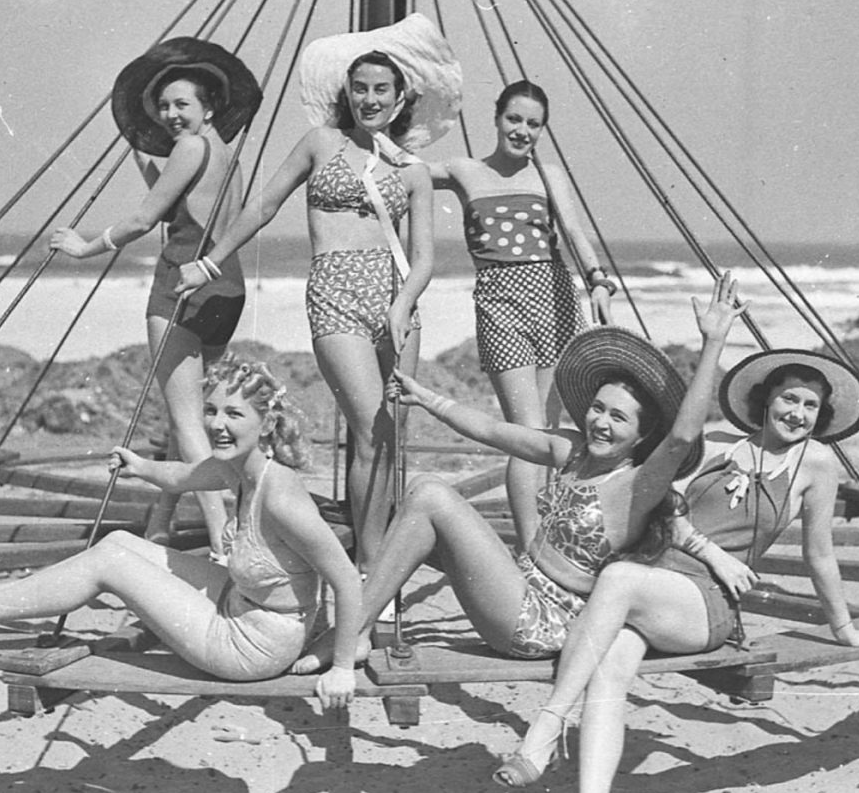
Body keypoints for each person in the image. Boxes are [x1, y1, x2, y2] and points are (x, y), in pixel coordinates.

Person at [498, 348, 859, 793]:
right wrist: (709, 549)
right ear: (764, 399)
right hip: (654, 585)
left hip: (706, 603)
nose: (797, 413)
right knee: (610, 670)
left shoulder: (815, 465)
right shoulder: (718, 443)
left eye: (810, 406)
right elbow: (665, 506)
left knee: (616, 577)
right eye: (789, 398)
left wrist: (844, 629)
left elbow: (820, 556)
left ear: (822, 415)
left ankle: (547, 726)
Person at [290, 273, 748, 674]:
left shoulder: (636, 484)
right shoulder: (573, 449)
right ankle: (362, 627)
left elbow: (683, 438)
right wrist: (428, 399)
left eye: (618, 419)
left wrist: (713, 343)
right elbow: (494, 430)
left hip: (543, 621)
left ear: (641, 436)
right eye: (598, 408)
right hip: (519, 584)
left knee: (429, 493)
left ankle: (351, 631)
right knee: (423, 500)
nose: (601, 423)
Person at [0, 354, 363, 708]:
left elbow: (347, 580)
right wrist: (139, 466)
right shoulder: (236, 468)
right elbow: (182, 477)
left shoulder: (280, 495)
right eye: (211, 410)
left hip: (251, 646)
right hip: (241, 604)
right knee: (120, 543)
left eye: (234, 415)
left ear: (266, 424)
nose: (217, 425)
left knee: (111, 564)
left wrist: (342, 667)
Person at [198, 15, 459, 578]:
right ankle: (367, 564)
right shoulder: (320, 143)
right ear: (347, 93)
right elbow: (262, 207)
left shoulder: (412, 171)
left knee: (392, 434)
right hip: (336, 290)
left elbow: (426, 258)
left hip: (397, 300)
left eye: (380, 90)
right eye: (359, 88)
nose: (368, 98)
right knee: (367, 427)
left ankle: (376, 550)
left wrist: (401, 303)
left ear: (400, 98)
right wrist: (211, 259)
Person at [48, 37, 263, 561]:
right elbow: (176, 200)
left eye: (181, 104)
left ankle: (222, 536)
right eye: (163, 106)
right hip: (224, 288)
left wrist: (85, 249)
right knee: (181, 415)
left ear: (208, 105)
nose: (170, 114)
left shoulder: (188, 149)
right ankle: (161, 527)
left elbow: (146, 218)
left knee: (188, 422)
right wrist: (141, 156)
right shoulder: (222, 153)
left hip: (180, 288)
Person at [430, 80, 615, 548]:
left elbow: (573, 230)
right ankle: (531, 547)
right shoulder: (463, 170)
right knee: (525, 434)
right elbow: (398, 170)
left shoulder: (548, 174)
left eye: (534, 124)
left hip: (553, 297)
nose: (522, 131)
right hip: (499, 300)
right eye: (515, 119)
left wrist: (597, 280)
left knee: (552, 434)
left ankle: (549, 541)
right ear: (496, 118)